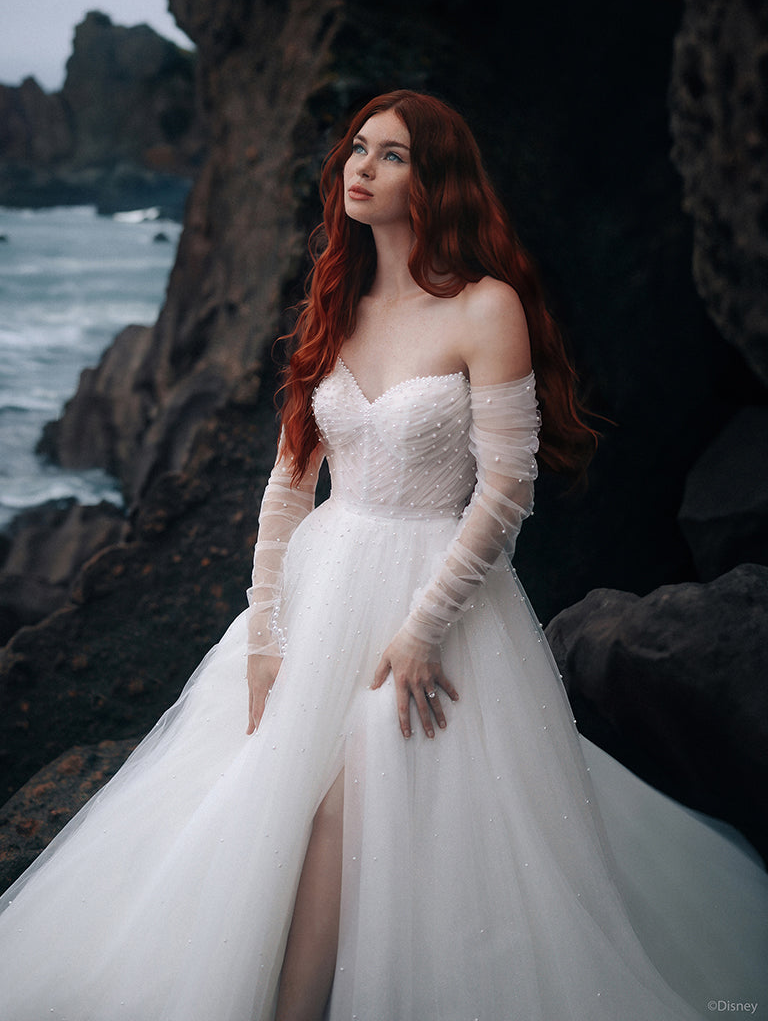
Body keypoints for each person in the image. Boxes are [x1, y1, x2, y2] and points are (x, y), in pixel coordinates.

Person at [0, 90, 764, 1020]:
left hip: (436, 595)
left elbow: (507, 488)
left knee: (348, 807)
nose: (361, 166)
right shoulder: (337, 304)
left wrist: (421, 631)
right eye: (358, 148)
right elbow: (288, 489)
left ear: (434, 178)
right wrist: (263, 635)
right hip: (324, 588)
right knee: (261, 810)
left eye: (391, 154)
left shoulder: (487, 308)